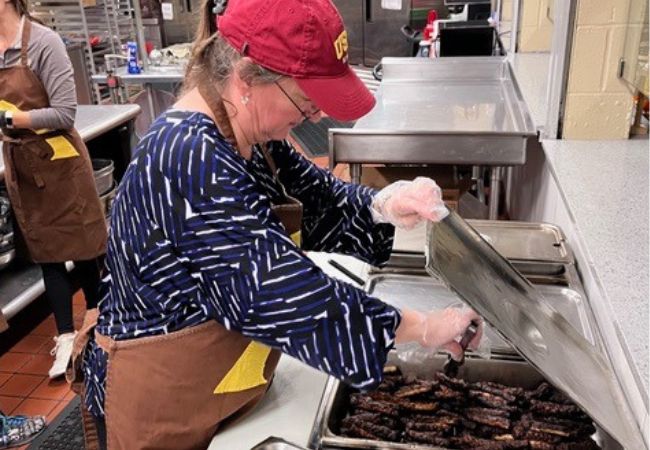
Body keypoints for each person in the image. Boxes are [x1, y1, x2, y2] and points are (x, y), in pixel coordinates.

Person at [72, 0, 483, 448]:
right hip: (161, 400)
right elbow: (278, 291)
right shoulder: (188, 156)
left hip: (219, 385)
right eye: (307, 101)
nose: (317, 115)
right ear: (247, 78)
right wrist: (421, 327)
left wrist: (383, 203)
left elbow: (321, 196)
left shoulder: (248, 136)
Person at [0, 0, 107, 378]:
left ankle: (101, 328)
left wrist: (10, 118)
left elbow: (64, 112)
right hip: (22, 165)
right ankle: (65, 336)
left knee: (84, 249)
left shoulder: (44, 43)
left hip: (59, 162)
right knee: (46, 253)